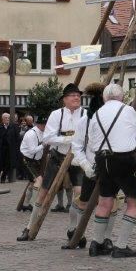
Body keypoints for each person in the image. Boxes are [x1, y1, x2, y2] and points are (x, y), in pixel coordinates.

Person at [17, 84, 85, 242]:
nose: (76, 97)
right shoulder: (56, 115)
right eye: (73, 95)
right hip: (57, 157)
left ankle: (73, 229)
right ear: (65, 99)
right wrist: (68, 138)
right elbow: (47, 138)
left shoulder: (85, 114)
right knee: (43, 193)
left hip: (77, 158)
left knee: (79, 194)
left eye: (78, 95)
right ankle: (29, 227)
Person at [87, 83, 136, 258]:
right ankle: (121, 245)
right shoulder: (128, 111)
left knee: (104, 202)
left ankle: (97, 243)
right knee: (135, 203)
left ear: (104, 98)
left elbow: (91, 141)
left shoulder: (96, 114)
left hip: (102, 159)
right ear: (122, 97)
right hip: (125, 159)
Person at [64, 82, 107, 250]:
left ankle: (103, 239)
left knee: (109, 203)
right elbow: (77, 146)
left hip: (108, 166)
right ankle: (75, 232)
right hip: (88, 165)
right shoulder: (84, 121)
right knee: (82, 201)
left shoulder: (110, 118)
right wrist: (86, 166)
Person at [19, 116, 47, 212]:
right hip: (27, 160)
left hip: (35, 161)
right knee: (38, 181)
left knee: (32, 184)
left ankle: (26, 204)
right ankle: (36, 205)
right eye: (44, 124)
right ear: (38, 124)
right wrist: (44, 145)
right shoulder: (31, 134)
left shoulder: (43, 132)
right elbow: (32, 150)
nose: (46, 126)